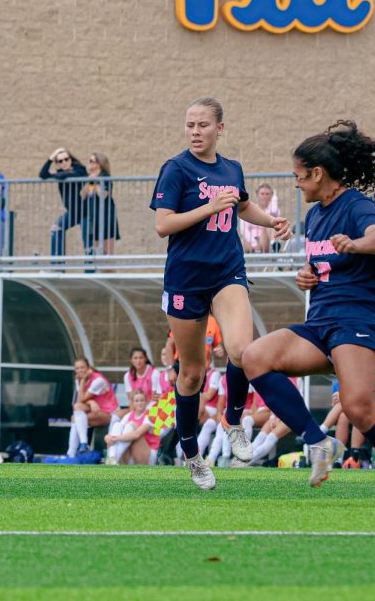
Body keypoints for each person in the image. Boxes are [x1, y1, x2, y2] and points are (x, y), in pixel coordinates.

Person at [239, 120, 375, 508]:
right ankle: (318, 441)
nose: (296, 183)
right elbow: (323, 266)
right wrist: (308, 276)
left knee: (360, 409)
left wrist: (357, 243)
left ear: (318, 173)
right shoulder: (314, 218)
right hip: (321, 321)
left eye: (298, 176)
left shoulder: (357, 205)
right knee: (254, 357)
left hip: (357, 319)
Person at [150, 97, 291, 489]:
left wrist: (271, 221)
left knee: (242, 351)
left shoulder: (231, 169)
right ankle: (193, 455)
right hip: (185, 279)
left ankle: (233, 421)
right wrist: (209, 208)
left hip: (228, 271)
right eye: (189, 125)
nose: (195, 132)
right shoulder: (176, 170)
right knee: (192, 374)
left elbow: (242, 206)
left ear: (220, 129)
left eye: (203, 125)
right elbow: (164, 225)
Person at [40, 147, 87, 259]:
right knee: (56, 228)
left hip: (86, 211)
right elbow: (43, 174)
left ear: (71, 159)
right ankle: (57, 266)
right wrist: (51, 157)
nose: (64, 162)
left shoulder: (80, 169)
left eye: (66, 159)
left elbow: (72, 175)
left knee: (88, 241)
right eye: (60, 161)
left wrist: (56, 175)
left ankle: (90, 272)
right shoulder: (60, 173)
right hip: (73, 212)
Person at [68, 358, 118, 458]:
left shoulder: (98, 380)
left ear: (88, 368)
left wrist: (82, 381)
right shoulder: (78, 379)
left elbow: (82, 398)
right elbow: (79, 403)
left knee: (75, 420)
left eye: (82, 367)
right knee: (77, 410)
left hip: (109, 413)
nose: (80, 370)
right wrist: (91, 402)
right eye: (77, 368)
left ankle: (72, 452)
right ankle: (78, 448)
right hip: (95, 410)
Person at [81, 152, 121, 258]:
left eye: (91, 161)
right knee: (98, 257)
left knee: (107, 256)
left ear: (99, 163)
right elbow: (83, 195)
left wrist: (96, 181)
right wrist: (89, 181)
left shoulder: (105, 177)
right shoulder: (90, 178)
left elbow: (103, 194)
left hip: (106, 219)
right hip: (94, 219)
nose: (89, 163)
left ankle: (111, 275)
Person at [104, 390, 159, 465]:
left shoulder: (150, 416)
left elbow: (137, 434)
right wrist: (108, 437)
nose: (139, 403)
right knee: (117, 425)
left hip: (148, 452)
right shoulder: (128, 415)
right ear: (132, 403)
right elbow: (116, 431)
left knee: (131, 426)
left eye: (142, 400)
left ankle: (113, 459)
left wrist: (115, 438)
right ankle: (112, 458)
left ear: (147, 402)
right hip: (131, 452)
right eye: (136, 401)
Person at [239, 183, 281, 254]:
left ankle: (274, 244)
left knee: (270, 223)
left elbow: (275, 213)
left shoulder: (273, 210)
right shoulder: (249, 209)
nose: (265, 196)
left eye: (267, 194)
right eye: (262, 194)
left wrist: (275, 198)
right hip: (250, 241)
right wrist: (255, 244)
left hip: (265, 241)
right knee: (242, 240)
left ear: (271, 196)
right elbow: (243, 229)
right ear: (257, 195)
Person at [119, 347, 156, 418]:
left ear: (145, 358)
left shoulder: (154, 373)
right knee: (119, 420)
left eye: (141, 358)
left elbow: (155, 398)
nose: (138, 361)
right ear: (131, 360)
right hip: (137, 409)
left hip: (151, 409)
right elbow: (131, 400)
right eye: (135, 358)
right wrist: (133, 416)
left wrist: (142, 414)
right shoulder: (127, 375)